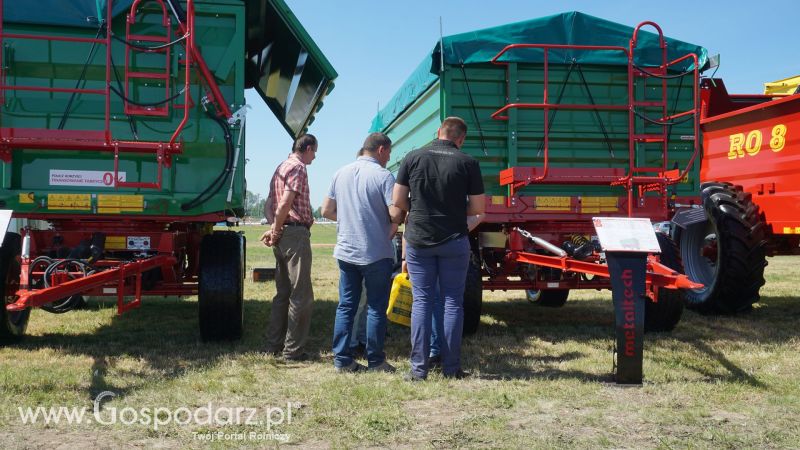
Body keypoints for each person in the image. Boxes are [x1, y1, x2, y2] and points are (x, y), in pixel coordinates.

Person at [392, 117, 485, 381]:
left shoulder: (412, 157)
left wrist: (421, 211)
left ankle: (418, 370)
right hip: (454, 239)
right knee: (452, 303)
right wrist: (452, 211)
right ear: (461, 138)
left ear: (438, 132)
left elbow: (398, 200)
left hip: (420, 239)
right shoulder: (468, 162)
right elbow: (478, 209)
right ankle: (451, 368)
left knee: (422, 302)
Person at [323, 132, 405, 373]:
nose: (389, 158)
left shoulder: (341, 172)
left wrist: (350, 219)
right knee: (376, 307)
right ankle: (376, 360)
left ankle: (341, 359)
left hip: (347, 250)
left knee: (346, 305)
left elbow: (326, 209)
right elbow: (394, 213)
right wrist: (398, 217)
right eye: (389, 153)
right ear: (381, 149)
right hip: (374, 251)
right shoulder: (383, 176)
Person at [261, 134, 318, 361]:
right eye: (314, 152)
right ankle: (293, 350)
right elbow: (285, 202)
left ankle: (273, 344)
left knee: (282, 293)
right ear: (309, 148)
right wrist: (276, 229)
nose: (315, 156)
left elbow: (269, 204)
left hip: (283, 233)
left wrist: (274, 228)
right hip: (295, 232)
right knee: (301, 294)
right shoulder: (298, 167)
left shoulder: (280, 167)